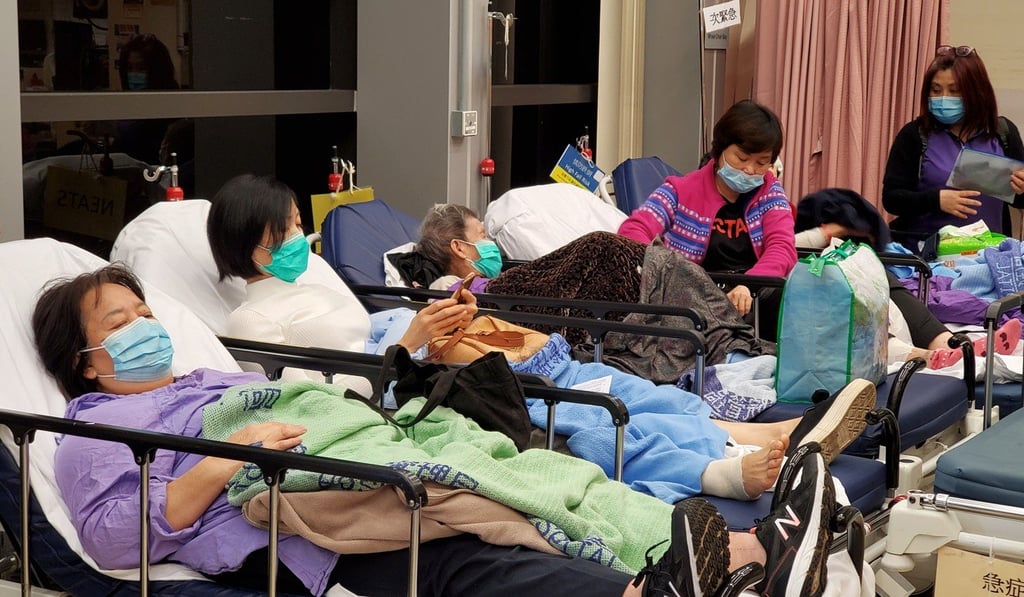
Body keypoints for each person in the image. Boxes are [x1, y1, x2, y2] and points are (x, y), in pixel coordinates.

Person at [31, 263, 855, 597]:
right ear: (89, 359)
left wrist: (399, 375)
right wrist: (227, 462)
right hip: (299, 518)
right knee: (472, 548)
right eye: (121, 319)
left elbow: (324, 406)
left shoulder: (211, 378)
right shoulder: (94, 429)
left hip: (356, 449)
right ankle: (656, 586)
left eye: (145, 308)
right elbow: (109, 538)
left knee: (541, 471)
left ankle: (755, 557)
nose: (146, 323)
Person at [206, 174, 875, 503]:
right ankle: (723, 467)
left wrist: (429, 327)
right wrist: (411, 339)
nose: (301, 239)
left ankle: (759, 439)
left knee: (613, 385)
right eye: (284, 231)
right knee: (582, 414)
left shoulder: (319, 287)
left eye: (299, 224)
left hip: (439, 349)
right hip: (420, 377)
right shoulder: (250, 325)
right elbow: (329, 403)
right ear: (249, 245)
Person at [617, 100, 796, 340]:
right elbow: (634, 228)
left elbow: (782, 247)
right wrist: (664, 272)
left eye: (762, 162)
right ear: (720, 150)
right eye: (742, 158)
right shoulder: (681, 191)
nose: (751, 170)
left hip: (753, 293)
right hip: (695, 295)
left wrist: (748, 286)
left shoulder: (770, 193)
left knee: (786, 297)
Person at [795, 187, 1020, 369]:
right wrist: (823, 235)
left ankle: (951, 344)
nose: (760, 170)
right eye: (759, 161)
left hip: (813, 263)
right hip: (781, 284)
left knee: (880, 276)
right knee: (842, 298)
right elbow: (779, 249)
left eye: (765, 162)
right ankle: (924, 356)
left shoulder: (772, 202)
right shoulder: (772, 210)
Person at [882, 45, 1024, 241]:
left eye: (954, 90)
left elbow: (1019, 200)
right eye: (936, 90)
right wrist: (936, 200)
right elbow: (891, 199)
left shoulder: (1003, 133)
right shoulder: (915, 135)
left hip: (989, 258)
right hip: (928, 259)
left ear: (977, 91)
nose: (943, 99)